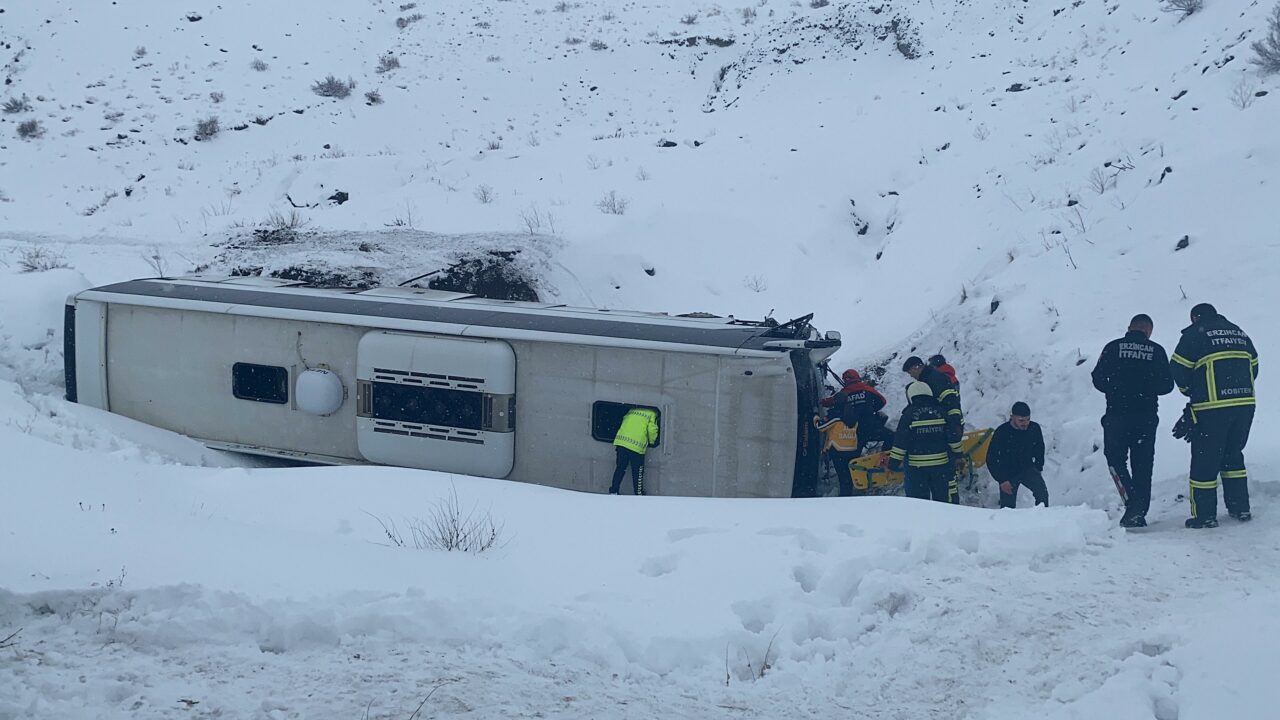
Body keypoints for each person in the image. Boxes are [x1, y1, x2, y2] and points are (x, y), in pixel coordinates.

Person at [1170, 303, 1259, 528]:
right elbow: (1254, 366)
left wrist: (1193, 392)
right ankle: (1240, 507)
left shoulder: (1195, 334)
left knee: (1205, 459)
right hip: (1244, 405)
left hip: (1212, 407)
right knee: (1233, 455)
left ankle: (1205, 515)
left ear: (1195, 318)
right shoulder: (1238, 332)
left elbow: (1178, 369)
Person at [1091, 314, 1175, 528]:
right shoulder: (1157, 351)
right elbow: (1167, 385)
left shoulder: (1112, 347)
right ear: (1149, 330)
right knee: (1143, 464)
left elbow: (1098, 379)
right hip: (1146, 416)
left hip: (1116, 415)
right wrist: (1145, 387)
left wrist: (1117, 387)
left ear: (1130, 328)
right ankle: (1139, 511)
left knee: (1114, 460)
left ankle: (1133, 505)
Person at [903, 356, 964, 501]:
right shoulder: (930, 378)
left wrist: (953, 426)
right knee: (943, 475)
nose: (911, 375)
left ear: (917, 367)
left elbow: (951, 404)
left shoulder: (934, 379)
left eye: (910, 371)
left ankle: (950, 506)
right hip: (944, 428)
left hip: (946, 429)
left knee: (947, 474)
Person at [887, 381, 955, 503]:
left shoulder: (908, 415)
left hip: (917, 469)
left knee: (918, 505)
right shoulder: (942, 412)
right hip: (941, 467)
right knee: (943, 503)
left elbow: (900, 443)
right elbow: (953, 437)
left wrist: (892, 464)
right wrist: (959, 454)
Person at [987, 402, 1049, 508]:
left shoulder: (1034, 428)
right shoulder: (1002, 432)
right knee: (1007, 508)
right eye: (1021, 420)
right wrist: (1002, 480)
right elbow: (991, 458)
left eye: (1028, 419)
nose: (1025, 423)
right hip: (1007, 473)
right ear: (1012, 417)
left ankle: (1042, 519)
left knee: (1042, 494)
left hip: (1028, 468)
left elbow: (1039, 449)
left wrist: (1038, 467)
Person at [822, 369, 893, 453]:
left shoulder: (843, 393)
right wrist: (871, 409)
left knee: (854, 452)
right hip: (870, 426)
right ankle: (884, 457)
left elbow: (829, 403)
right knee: (891, 436)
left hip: (852, 432)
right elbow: (882, 401)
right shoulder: (867, 389)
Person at [609, 406, 659, 495]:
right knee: (637, 472)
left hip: (621, 442)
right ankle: (638, 493)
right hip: (636, 446)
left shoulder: (632, 410)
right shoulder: (652, 413)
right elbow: (652, 430)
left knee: (620, 468)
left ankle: (613, 490)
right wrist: (652, 442)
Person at [814, 408, 860, 497]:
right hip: (851, 450)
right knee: (848, 478)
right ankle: (848, 496)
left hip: (838, 450)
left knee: (841, 478)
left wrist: (815, 417)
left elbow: (820, 426)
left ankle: (843, 498)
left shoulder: (835, 417)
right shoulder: (854, 416)